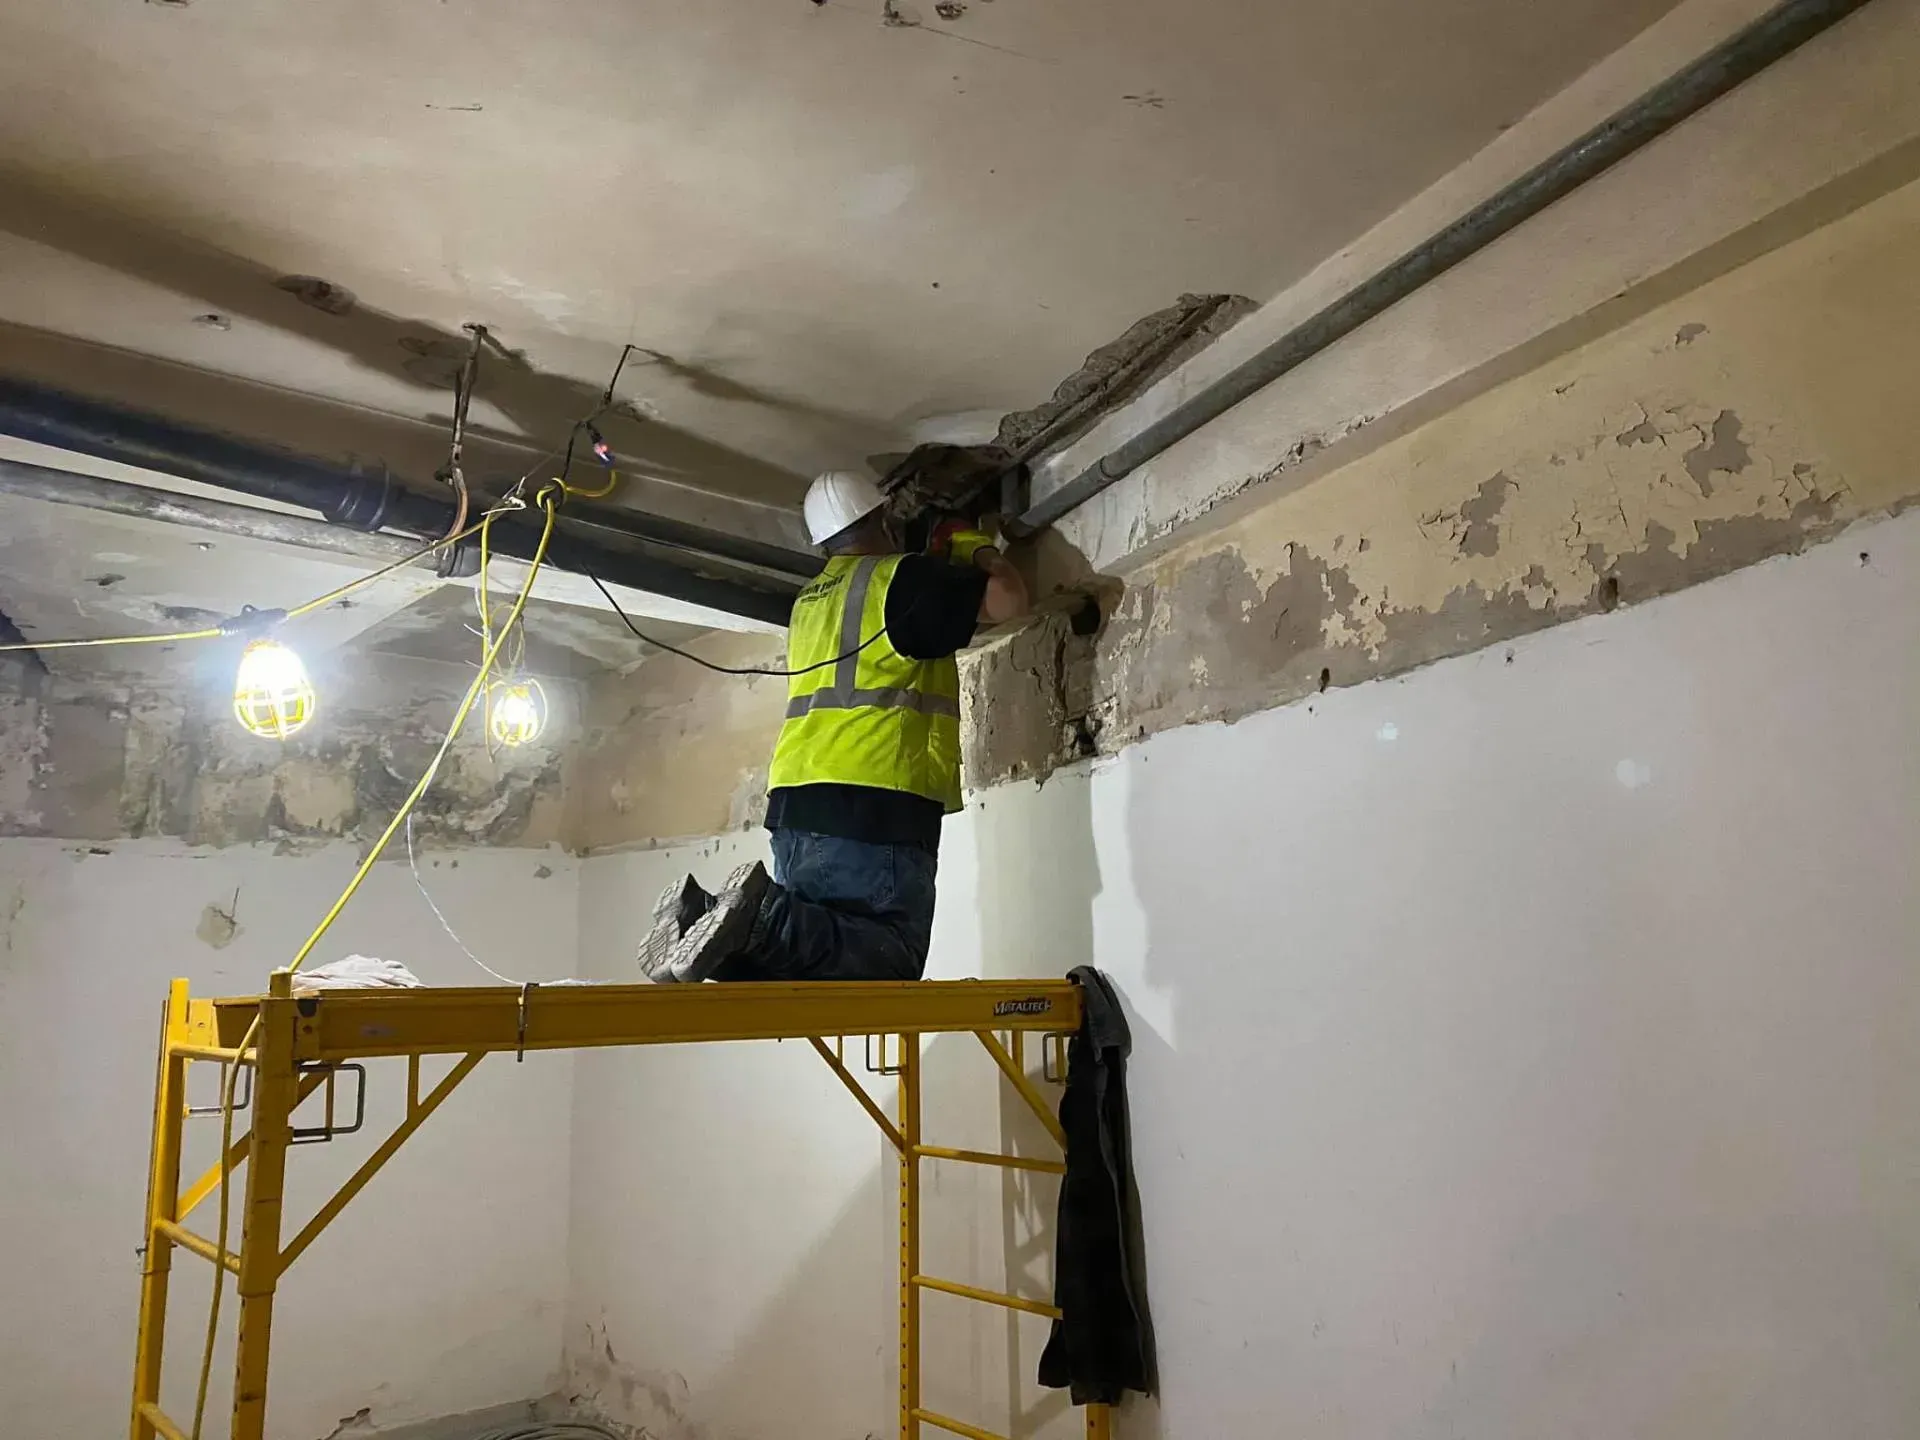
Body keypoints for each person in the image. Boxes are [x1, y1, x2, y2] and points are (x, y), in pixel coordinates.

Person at [640, 469, 1029, 983]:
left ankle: (703, 914)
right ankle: (755, 916)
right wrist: (970, 543)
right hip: (877, 800)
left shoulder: (807, 603)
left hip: (797, 801)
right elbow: (1010, 598)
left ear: (822, 542)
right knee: (891, 960)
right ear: (885, 518)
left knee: (807, 966)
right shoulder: (903, 578)